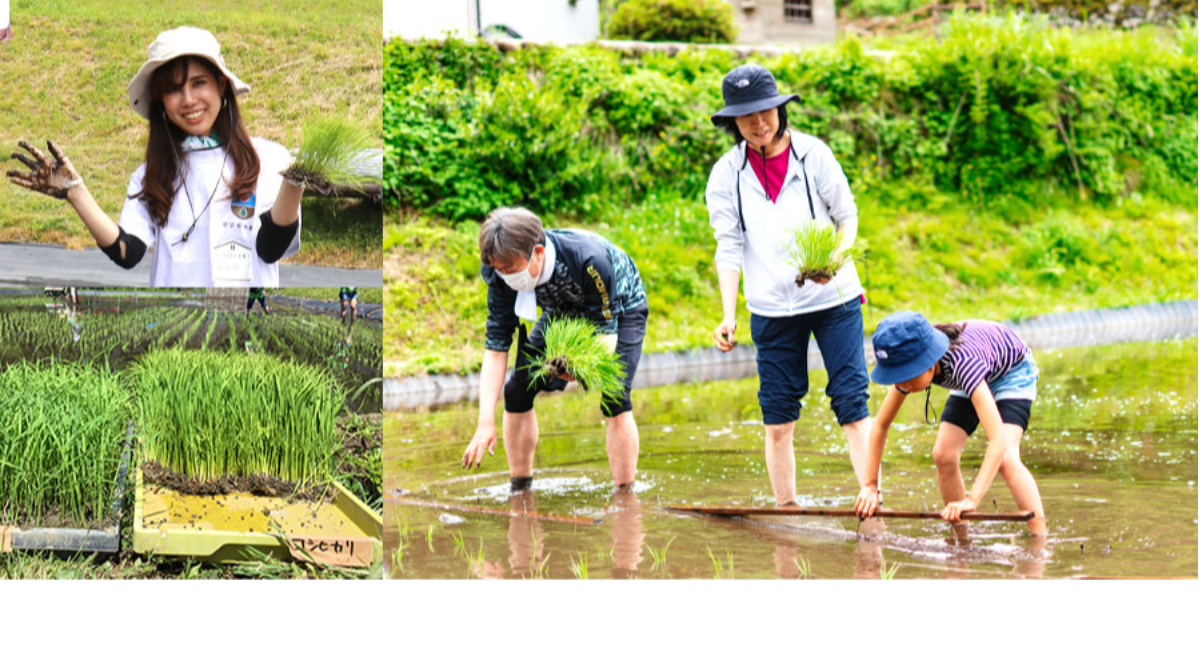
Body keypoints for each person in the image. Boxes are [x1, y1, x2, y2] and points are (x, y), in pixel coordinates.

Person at [6, 26, 302, 287]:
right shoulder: (152, 174)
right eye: (174, 89)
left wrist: (296, 182)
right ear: (160, 99)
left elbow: (270, 248)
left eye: (199, 83)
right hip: (176, 325)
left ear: (221, 85)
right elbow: (127, 251)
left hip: (247, 324)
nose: (188, 100)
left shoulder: (269, 160)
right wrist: (76, 193)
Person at [706, 64, 873, 506]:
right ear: (732, 122)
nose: (759, 124)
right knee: (777, 418)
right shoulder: (726, 175)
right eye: (746, 117)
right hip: (771, 309)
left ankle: (872, 495)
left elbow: (847, 218)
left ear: (781, 109)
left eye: (766, 112)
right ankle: (786, 511)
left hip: (833, 298)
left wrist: (835, 260)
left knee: (852, 404)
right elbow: (728, 246)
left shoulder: (813, 154)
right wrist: (727, 314)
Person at [461, 207, 649, 492]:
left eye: (510, 269)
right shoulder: (498, 271)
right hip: (561, 310)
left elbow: (604, 338)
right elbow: (497, 346)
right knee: (517, 390)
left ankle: (625, 498)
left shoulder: (589, 259)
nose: (505, 276)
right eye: (499, 270)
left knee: (614, 395)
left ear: (537, 253)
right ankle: (520, 489)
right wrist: (485, 421)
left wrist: (577, 370)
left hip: (620, 308)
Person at [854, 311, 1047, 536]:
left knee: (1006, 459)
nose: (902, 384)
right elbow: (881, 425)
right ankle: (961, 537)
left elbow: (998, 440)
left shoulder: (964, 364)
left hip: (1011, 373)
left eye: (907, 376)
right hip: (973, 377)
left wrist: (972, 499)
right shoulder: (910, 374)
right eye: (897, 377)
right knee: (943, 454)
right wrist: (870, 486)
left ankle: (1039, 538)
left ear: (927, 361)